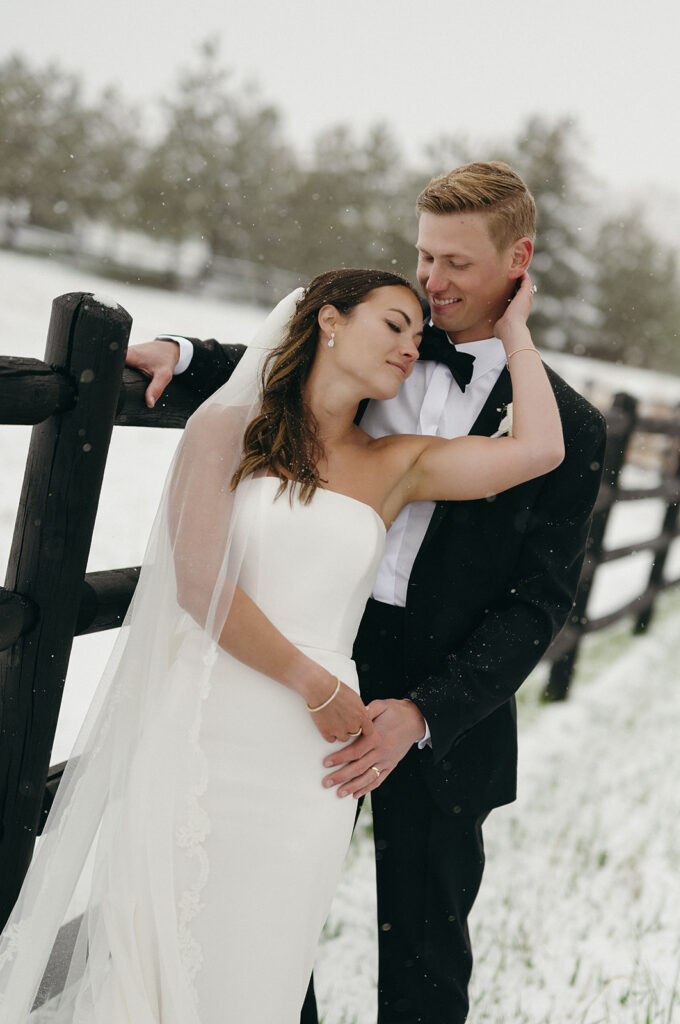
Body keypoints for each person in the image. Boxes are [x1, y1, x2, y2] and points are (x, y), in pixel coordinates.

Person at [0, 263, 561, 1023]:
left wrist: (516, 334)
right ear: (328, 320)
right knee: (162, 946)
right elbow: (201, 584)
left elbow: (539, 451)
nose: (410, 346)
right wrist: (316, 685)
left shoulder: (393, 464)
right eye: (393, 324)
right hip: (210, 718)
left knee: (261, 965)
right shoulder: (226, 430)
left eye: (418, 335)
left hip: (312, 763)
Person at [126, 161, 606, 1024]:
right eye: (423, 256)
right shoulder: (385, 349)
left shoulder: (567, 425)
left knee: (425, 950)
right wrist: (187, 354)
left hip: (441, 709)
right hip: (297, 676)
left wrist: (423, 712)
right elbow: (281, 365)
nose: (431, 279)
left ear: (517, 260)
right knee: (262, 914)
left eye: (455, 263)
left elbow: (538, 602)